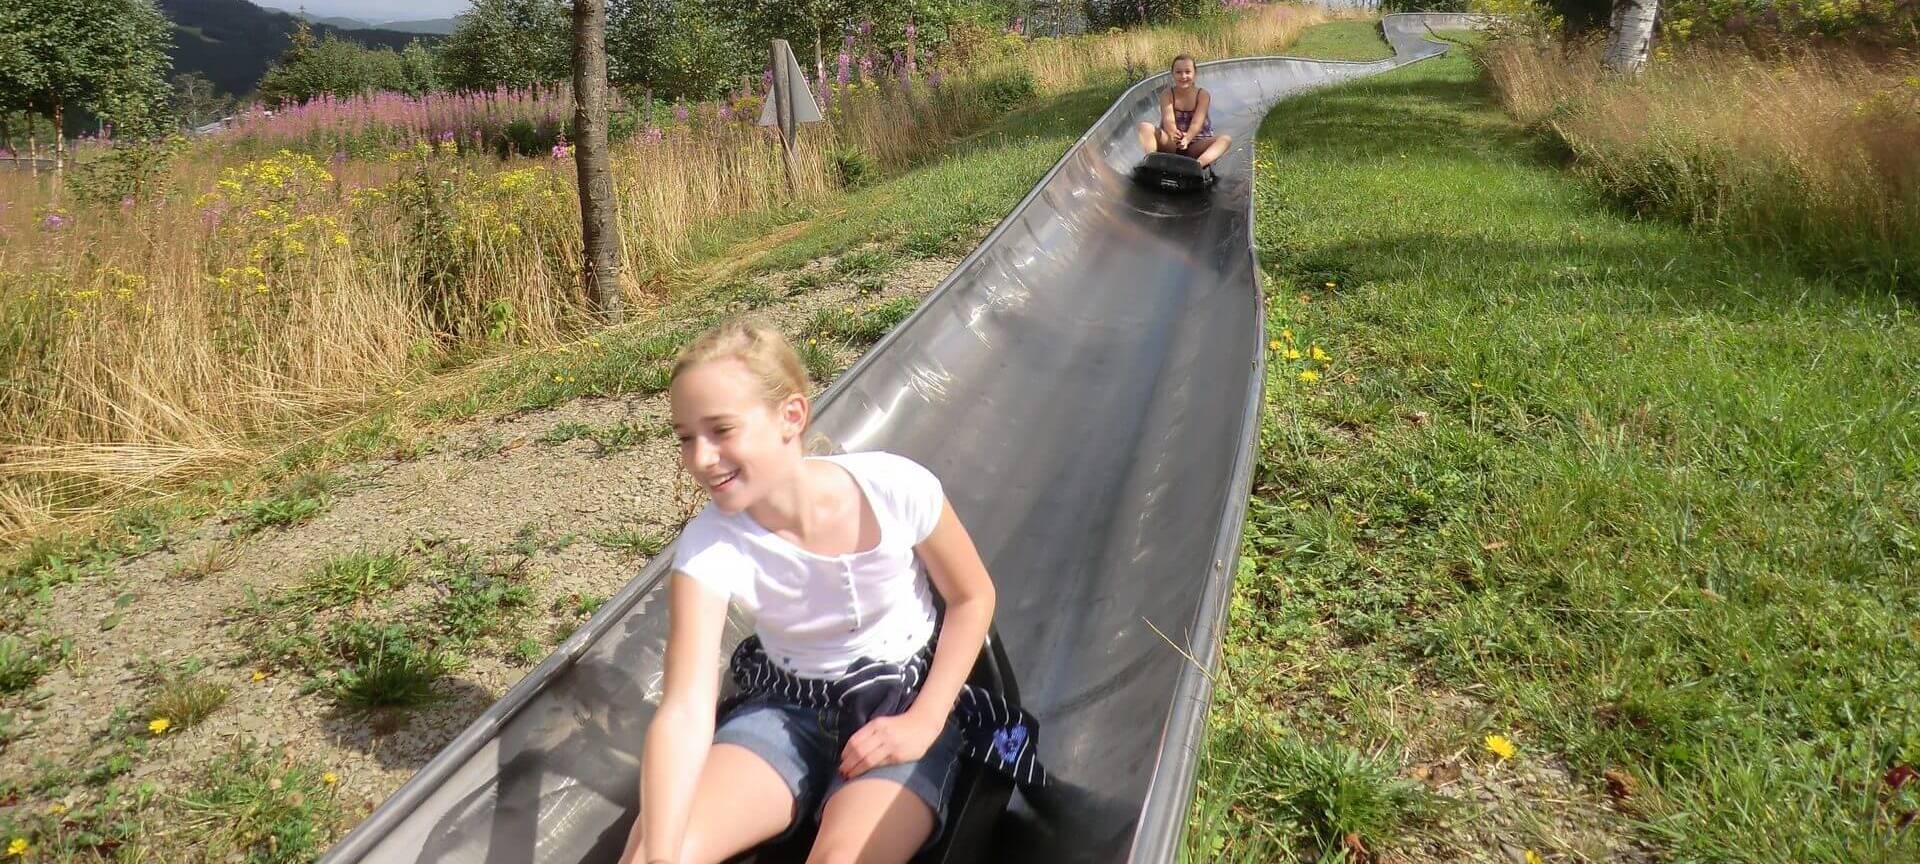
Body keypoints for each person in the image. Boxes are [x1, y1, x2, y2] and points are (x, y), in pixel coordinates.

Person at [619, 319, 1040, 864]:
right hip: (788, 705)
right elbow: (684, 708)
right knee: (655, 850)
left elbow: (972, 597)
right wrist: (662, 850)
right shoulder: (711, 544)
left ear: (790, 417)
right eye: (686, 438)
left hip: (900, 699)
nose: (700, 458)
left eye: (721, 431)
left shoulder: (894, 488)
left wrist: (925, 720)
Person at [1135, 54, 1233, 169]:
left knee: (1226, 139)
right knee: (1144, 126)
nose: (1183, 76)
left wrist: (1187, 138)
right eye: (1178, 72)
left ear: (1194, 74)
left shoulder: (1202, 95)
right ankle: (1151, 160)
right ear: (1173, 74)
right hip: (1172, 144)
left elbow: (1197, 122)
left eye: (1187, 72)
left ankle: (1198, 165)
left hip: (1195, 145)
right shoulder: (1167, 94)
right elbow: (1168, 120)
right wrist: (1173, 133)